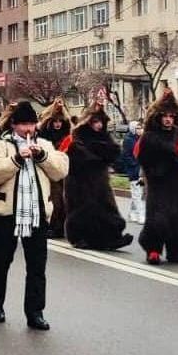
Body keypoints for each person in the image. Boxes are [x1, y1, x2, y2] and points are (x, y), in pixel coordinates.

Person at [0, 101, 69, 330]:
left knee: (37, 265)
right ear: (14, 124)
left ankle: (35, 312)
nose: (28, 129)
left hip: (36, 212)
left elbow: (60, 170)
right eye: (23, 125)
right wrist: (16, 159)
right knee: (1, 261)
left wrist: (42, 157)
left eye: (31, 124)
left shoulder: (44, 144)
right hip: (7, 213)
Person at [63, 102, 133, 250]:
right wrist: (98, 153)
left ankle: (111, 238)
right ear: (88, 123)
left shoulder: (104, 137)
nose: (99, 125)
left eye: (101, 121)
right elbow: (81, 157)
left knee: (106, 208)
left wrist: (99, 151)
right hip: (80, 182)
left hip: (100, 180)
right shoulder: (77, 138)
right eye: (95, 122)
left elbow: (114, 152)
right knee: (83, 210)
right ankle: (79, 238)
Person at [136, 91, 178, 263]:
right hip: (159, 182)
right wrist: (154, 171)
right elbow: (142, 158)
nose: (168, 119)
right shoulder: (150, 136)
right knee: (158, 216)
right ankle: (153, 249)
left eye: (171, 116)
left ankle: (176, 250)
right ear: (158, 117)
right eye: (164, 116)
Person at [36, 99, 72, 238]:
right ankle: (52, 226)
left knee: (62, 200)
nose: (58, 124)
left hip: (62, 169)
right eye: (55, 121)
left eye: (60, 121)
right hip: (47, 168)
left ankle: (59, 227)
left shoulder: (67, 135)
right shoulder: (44, 135)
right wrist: (54, 109)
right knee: (52, 199)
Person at [121, 121, 144, 225]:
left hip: (141, 171)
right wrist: (136, 165)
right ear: (133, 129)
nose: (140, 130)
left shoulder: (140, 139)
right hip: (134, 171)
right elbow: (126, 156)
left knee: (137, 194)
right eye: (138, 128)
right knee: (137, 193)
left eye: (141, 128)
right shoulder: (128, 140)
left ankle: (131, 213)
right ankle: (140, 216)